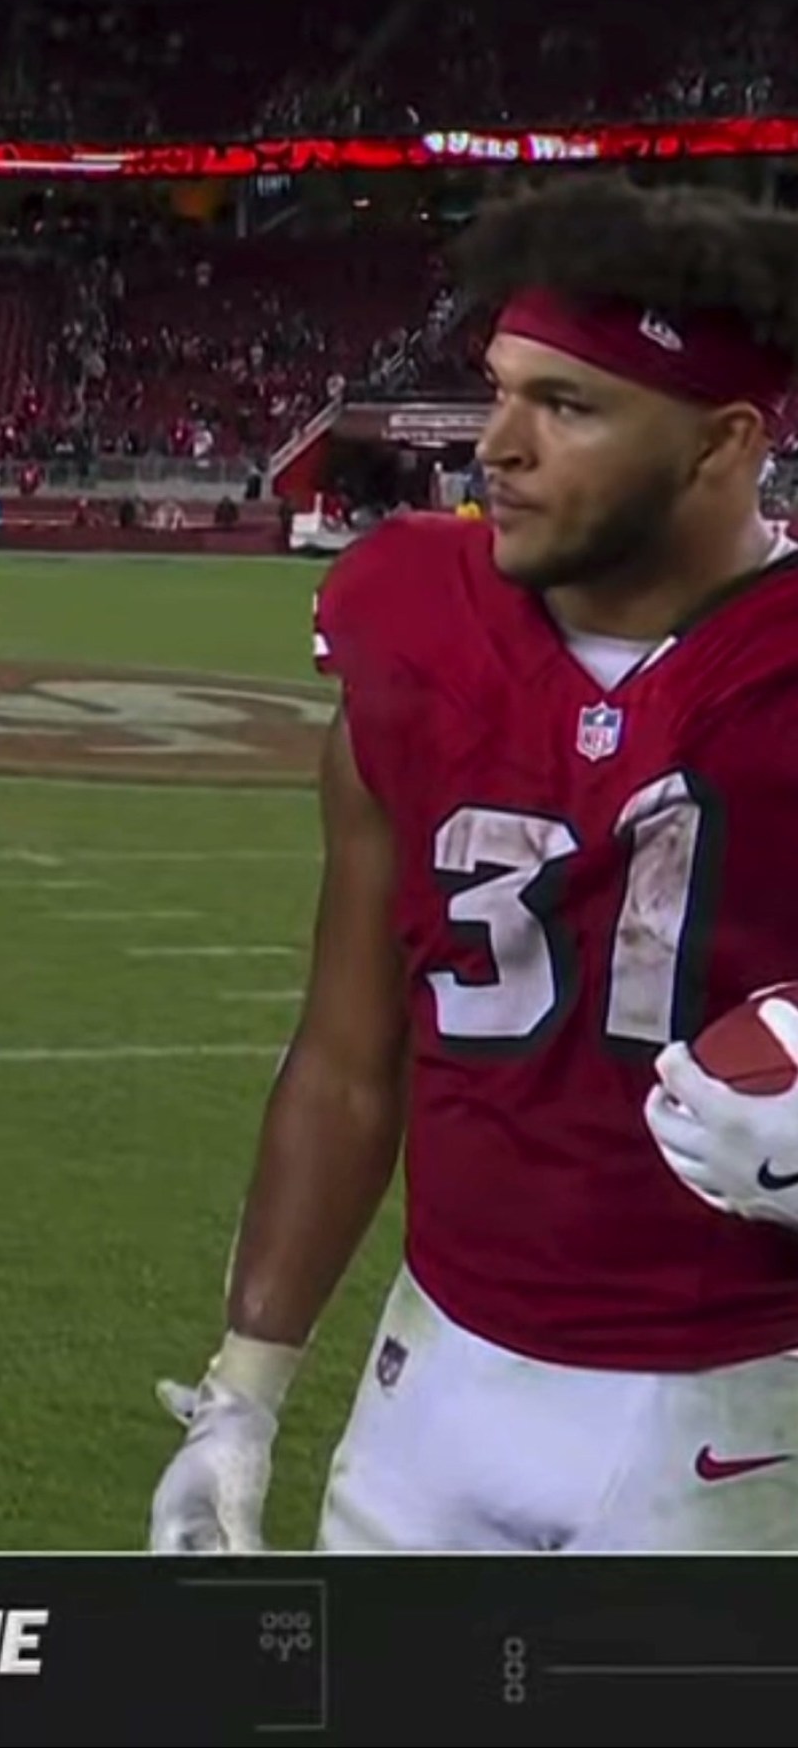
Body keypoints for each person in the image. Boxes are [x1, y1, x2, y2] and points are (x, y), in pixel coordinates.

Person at [148, 175, 798, 1556]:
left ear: (722, 441)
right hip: (433, 1385)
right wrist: (243, 1397)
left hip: (742, 1407)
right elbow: (345, 1049)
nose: (496, 446)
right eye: (499, 388)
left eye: (567, 406)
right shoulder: (411, 620)